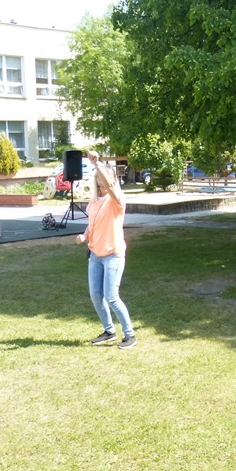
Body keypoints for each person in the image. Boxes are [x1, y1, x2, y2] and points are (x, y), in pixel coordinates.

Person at [76, 150, 136, 350]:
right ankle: (109, 331)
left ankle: (130, 335)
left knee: (111, 296)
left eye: (104, 183)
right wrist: (84, 236)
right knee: (96, 296)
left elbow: (111, 187)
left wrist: (96, 163)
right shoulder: (94, 201)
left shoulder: (117, 201)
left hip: (113, 255)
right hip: (95, 255)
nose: (102, 187)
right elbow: (92, 223)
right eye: (99, 184)